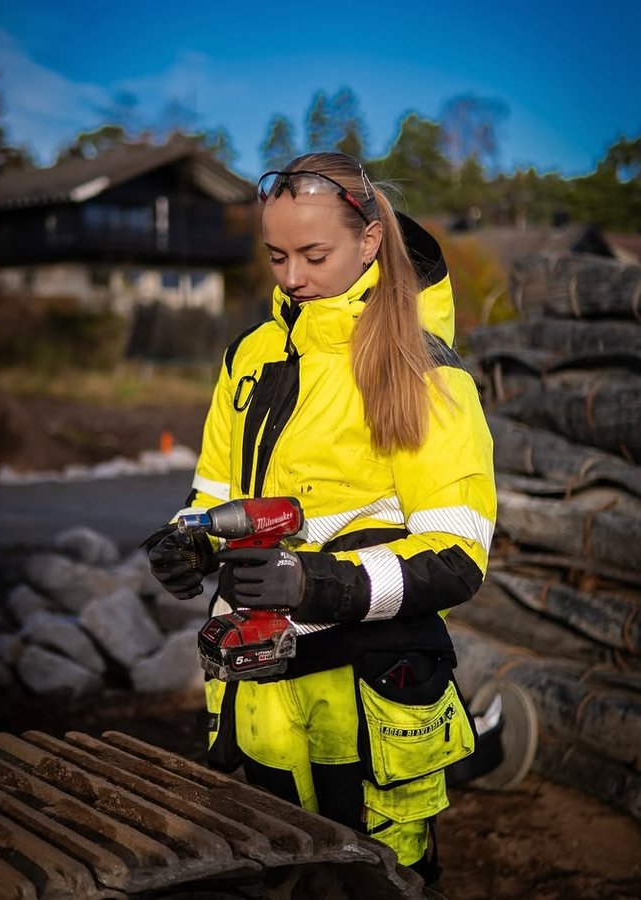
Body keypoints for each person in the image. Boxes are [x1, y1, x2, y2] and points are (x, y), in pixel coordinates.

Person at [146, 152, 496, 885]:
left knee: (379, 879)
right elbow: (216, 491)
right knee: (276, 873)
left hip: (370, 689)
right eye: (276, 256)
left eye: (313, 254)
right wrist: (192, 543)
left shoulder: (421, 371)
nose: (292, 278)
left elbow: (458, 555)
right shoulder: (249, 354)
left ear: (368, 242)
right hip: (259, 688)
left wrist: (315, 586)